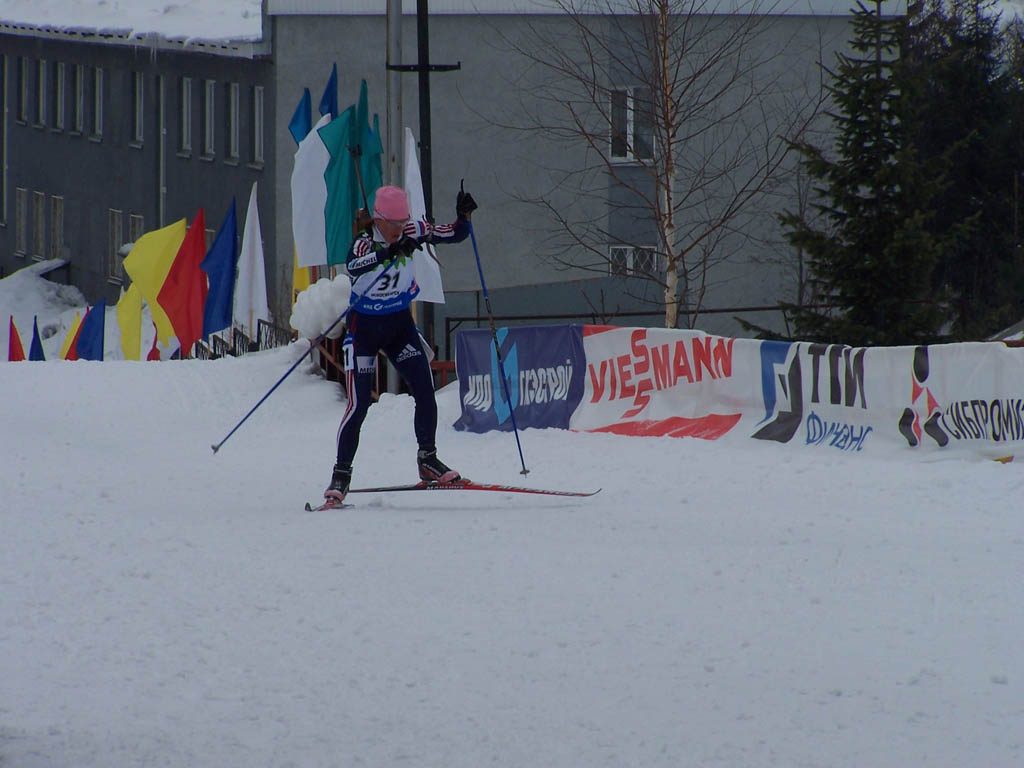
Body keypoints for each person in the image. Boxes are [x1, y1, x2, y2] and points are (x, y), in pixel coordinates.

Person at [324, 184, 478, 503]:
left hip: (398, 326)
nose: (398, 230)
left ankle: (428, 460)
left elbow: (453, 235)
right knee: (358, 405)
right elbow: (353, 266)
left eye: (401, 223)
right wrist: (388, 253)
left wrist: (463, 217)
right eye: (392, 225)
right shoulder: (364, 242)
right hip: (364, 330)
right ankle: (341, 475)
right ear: (378, 220)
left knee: (424, 388)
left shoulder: (412, 229)